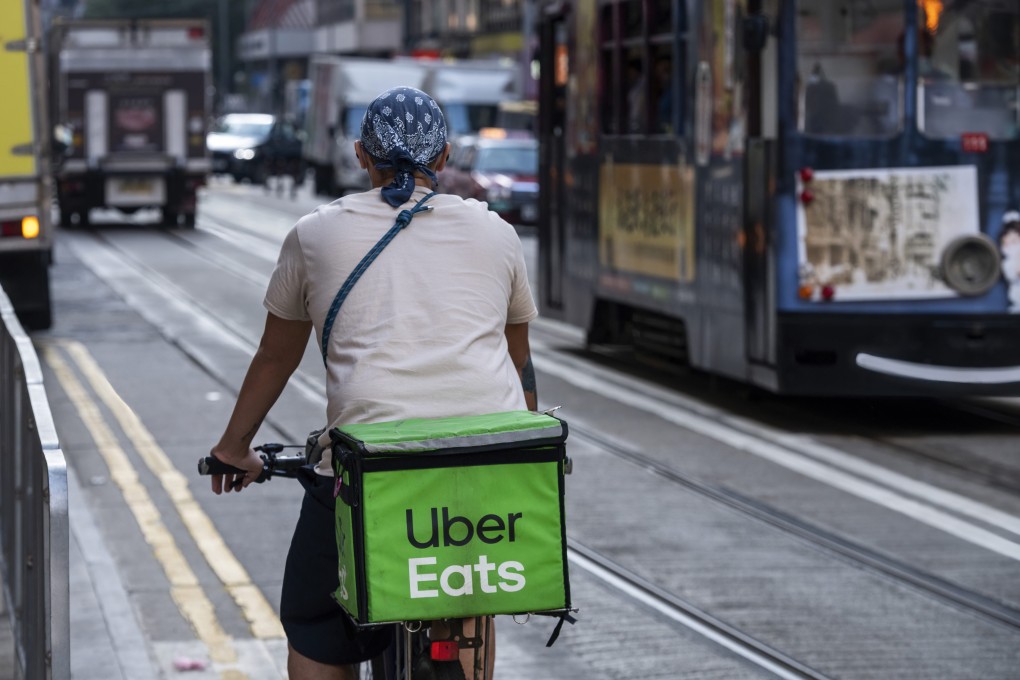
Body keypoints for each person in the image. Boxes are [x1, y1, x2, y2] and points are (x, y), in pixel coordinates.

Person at [207, 86, 539, 680]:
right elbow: (518, 365)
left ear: (361, 155)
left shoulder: (316, 233)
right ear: (444, 159)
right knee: (470, 593)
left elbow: (273, 359)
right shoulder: (498, 233)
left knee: (313, 618)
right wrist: (521, 452)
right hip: (483, 479)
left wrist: (234, 448)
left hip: (370, 470)